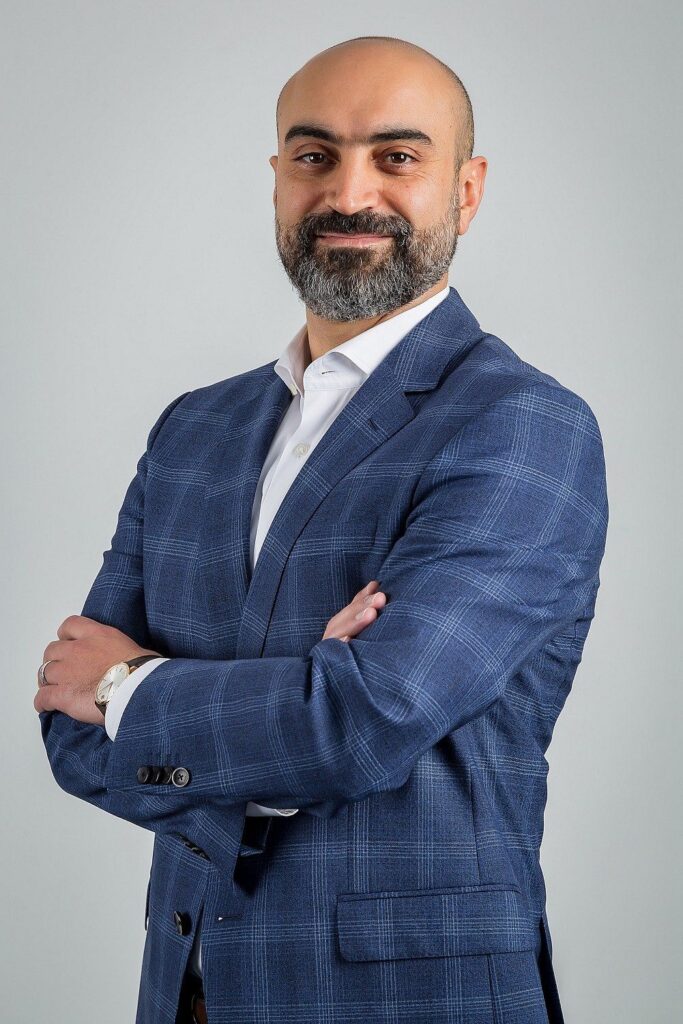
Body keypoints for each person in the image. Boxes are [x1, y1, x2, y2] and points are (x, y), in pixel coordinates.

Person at [35, 34, 608, 1024]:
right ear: (276, 180)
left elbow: (361, 721)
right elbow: (67, 728)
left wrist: (129, 688)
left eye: (396, 156)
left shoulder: (521, 425)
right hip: (186, 995)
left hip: (408, 998)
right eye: (314, 156)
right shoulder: (194, 430)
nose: (348, 192)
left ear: (466, 190)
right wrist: (293, 715)